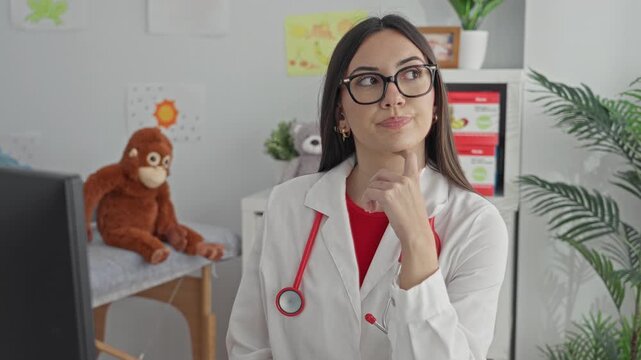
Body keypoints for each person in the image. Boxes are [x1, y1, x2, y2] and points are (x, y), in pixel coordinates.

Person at [227, 14, 508, 360]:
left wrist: (418, 242)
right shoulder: (288, 205)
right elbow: (249, 346)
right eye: (369, 80)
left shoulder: (478, 224)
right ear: (340, 113)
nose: (393, 96)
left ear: (434, 102)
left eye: (412, 74)